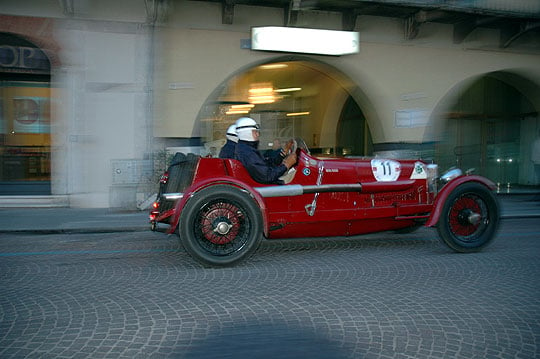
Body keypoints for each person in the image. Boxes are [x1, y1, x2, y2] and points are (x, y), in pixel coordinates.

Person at [234, 117, 297, 184]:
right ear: (247, 133)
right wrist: (287, 165)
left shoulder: (245, 149)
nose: (258, 135)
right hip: (266, 185)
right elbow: (267, 176)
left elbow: (265, 164)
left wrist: (283, 154)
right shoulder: (247, 153)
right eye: (255, 132)